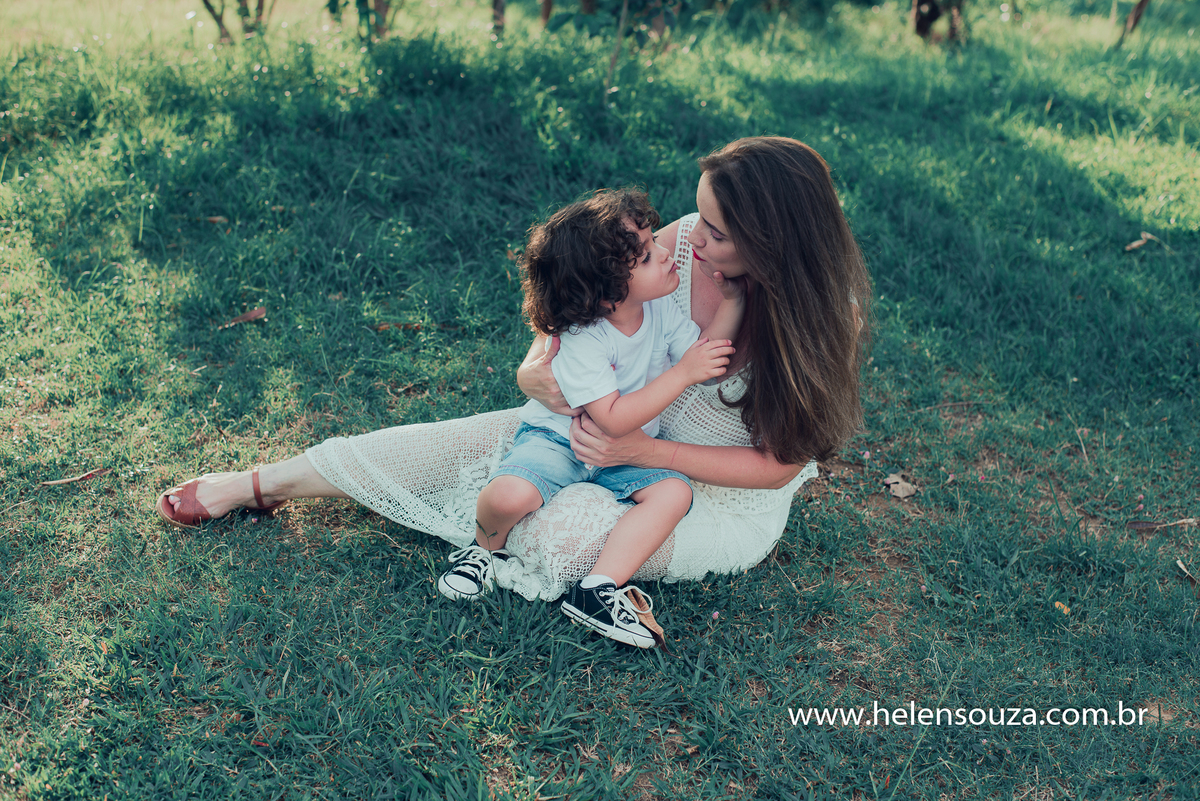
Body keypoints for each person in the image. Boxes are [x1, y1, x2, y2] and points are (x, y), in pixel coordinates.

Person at [156, 136, 870, 630]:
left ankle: (525, 546)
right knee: (459, 443)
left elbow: (778, 468)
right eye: (699, 217)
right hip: (606, 422)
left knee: (562, 537)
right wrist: (536, 366)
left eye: (717, 231)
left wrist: (647, 453)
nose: (692, 238)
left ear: (774, 241)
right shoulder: (684, 243)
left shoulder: (821, 318)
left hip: (710, 492)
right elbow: (586, 296)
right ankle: (260, 485)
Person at [437, 188, 744, 649]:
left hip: (625, 450)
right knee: (508, 495)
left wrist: (733, 303)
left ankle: (597, 588)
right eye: (647, 256)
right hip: (562, 440)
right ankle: (482, 551)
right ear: (606, 295)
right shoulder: (585, 337)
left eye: (653, 243)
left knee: (674, 493)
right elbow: (613, 418)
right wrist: (683, 372)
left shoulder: (658, 307)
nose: (665, 252)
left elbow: (705, 360)